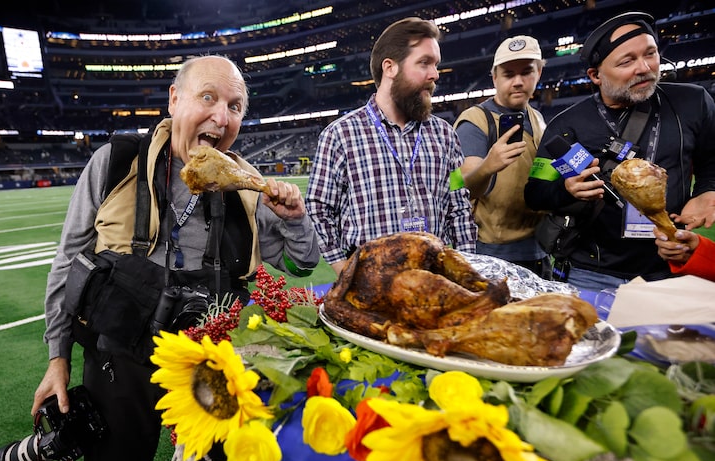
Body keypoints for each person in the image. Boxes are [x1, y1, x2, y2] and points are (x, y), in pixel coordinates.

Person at [31, 55, 319, 461]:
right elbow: (68, 262)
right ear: (174, 100)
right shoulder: (115, 163)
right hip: (120, 357)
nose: (221, 117)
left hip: (213, 356)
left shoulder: (249, 187)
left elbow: (300, 265)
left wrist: (295, 218)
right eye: (208, 97)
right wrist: (58, 357)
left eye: (234, 106)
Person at [524, 11, 715, 293]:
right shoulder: (566, 125)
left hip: (669, 269)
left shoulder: (693, 102)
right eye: (627, 61)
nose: (644, 67)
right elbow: (535, 192)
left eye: (650, 54)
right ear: (595, 75)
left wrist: (707, 192)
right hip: (591, 274)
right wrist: (567, 191)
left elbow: (711, 161)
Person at [306, 17, 477, 276]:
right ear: (390, 67)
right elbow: (318, 208)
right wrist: (344, 271)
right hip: (369, 285)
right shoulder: (340, 135)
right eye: (424, 63)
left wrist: (466, 270)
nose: (435, 74)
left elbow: (459, 204)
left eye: (436, 64)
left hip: (433, 282)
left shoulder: (445, 135)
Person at [453, 35, 549, 277]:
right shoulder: (474, 121)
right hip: (493, 250)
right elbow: (459, 187)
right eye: (508, 74)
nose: (518, 81)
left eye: (526, 72)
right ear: (495, 77)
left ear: (539, 73)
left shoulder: (537, 118)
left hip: (539, 246)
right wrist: (488, 166)